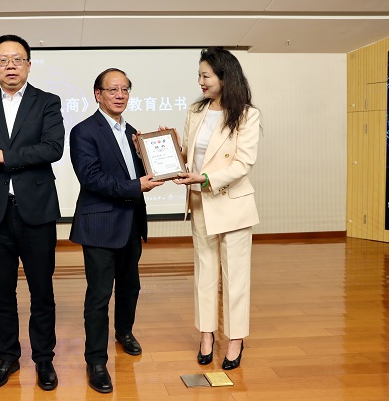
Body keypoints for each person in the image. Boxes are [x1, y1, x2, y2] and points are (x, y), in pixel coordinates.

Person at [0, 34, 64, 391]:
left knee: (42, 291)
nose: (10, 66)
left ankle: (44, 359)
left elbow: (53, 148)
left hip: (36, 211)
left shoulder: (47, 102)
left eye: (17, 59)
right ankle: (7, 357)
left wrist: (6, 156)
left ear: (28, 65)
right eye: (3, 60)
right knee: (1, 293)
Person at [69, 68, 164, 393]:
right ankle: (96, 361)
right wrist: (135, 185)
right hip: (99, 225)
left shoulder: (133, 132)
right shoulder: (83, 131)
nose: (120, 95)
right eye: (112, 89)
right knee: (98, 296)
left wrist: (159, 149)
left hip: (131, 222)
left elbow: (147, 172)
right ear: (98, 94)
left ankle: (124, 332)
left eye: (124, 89)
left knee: (130, 287)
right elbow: (91, 178)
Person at [172, 47, 260, 371]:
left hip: (231, 203)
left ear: (224, 77)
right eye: (199, 75)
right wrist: (162, 148)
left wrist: (206, 178)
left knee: (235, 277)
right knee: (205, 274)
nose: (200, 81)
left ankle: (235, 339)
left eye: (205, 75)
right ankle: (206, 334)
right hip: (199, 202)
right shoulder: (196, 111)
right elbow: (186, 155)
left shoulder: (247, 115)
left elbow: (243, 163)